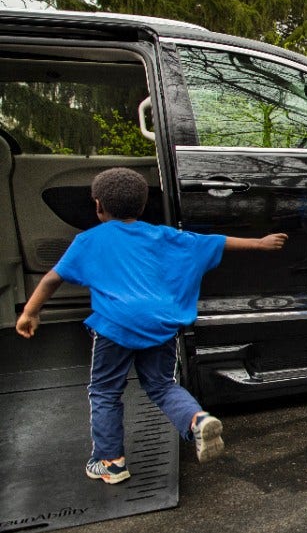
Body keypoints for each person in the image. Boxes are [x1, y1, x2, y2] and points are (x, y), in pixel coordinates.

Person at [15, 167, 287, 483]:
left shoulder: (88, 240)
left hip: (115, 327)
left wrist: (30, 313)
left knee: (105, 390)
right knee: (161, 384)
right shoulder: (164, 235)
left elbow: (52, 278)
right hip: (161, 324)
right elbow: (213, 242)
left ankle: (110, 462)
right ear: (143, 206)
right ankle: (197, 420)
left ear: (98, 206)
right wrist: (260, 243)